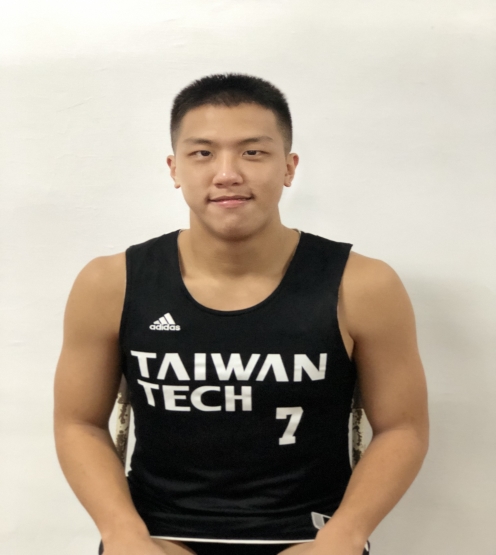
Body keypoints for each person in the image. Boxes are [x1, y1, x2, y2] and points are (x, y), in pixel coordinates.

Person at [53, 73, 429, 555]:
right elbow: (79, 422)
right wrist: (121, 533)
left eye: (253, 152)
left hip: (307, 536)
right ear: (174, 168)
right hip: (159, 535)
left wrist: (346, 534)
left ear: (288, 167)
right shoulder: (111, 283)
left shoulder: (363, 285)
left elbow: (402, 427)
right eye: (203, 153)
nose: (227, 173)